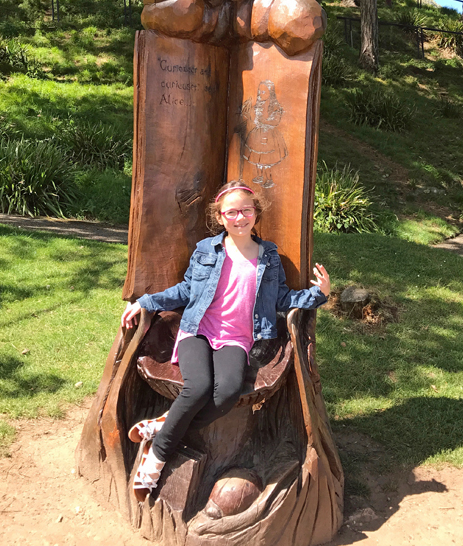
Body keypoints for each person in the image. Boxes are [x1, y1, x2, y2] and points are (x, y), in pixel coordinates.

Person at [120, 180, 331, 501]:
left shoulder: (269, 256)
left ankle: (163, 426)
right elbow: (185, 290)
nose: (240, 217)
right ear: (220, 217)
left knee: (228, 392)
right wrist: (146, 302)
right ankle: (157, 457)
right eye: (231, 212)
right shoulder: (207, 250)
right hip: (197, 330)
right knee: (198, 387)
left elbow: (282, 298)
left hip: (237, 338)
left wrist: (319, 295)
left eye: (246, 210)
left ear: (256, 213)